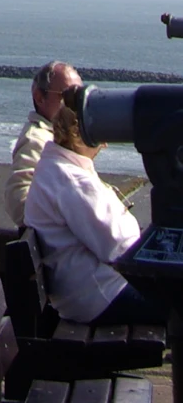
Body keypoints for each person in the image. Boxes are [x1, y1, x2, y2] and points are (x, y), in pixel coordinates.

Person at [23, 98, 166, 327]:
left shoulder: (54, 168)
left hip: (81, 293)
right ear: (81, 137)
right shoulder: (72, 180)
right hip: (99, 296)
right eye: (99, 137)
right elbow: (119, 247)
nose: (105, 144)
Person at [8, 61, 81, 227]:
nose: (75, 105)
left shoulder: (58, 135)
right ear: (40, 98)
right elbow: (18, 201)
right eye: (66, 96)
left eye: (78, 97)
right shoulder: (36, 139)